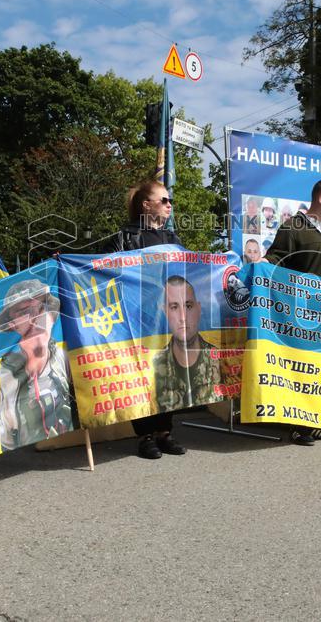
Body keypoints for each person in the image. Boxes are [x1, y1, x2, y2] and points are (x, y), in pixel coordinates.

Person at [108, 179, 186, 459]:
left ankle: (166, 432)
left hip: (168, 316)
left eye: (170, 200)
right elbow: (106, 272)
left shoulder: (172, 238)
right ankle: (145, 436)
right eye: (164, 200)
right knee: (140, 376)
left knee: (168, 375)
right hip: (138, 316)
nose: (169, 205)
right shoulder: (125, 237)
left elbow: (189, 269)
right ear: (146, 205)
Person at [264, 179, 321, 445]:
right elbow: (276, 258)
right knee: (301, 369)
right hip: (298, 311)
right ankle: (299, 426)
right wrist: (261, 265)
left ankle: (318, 420)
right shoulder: (293, 227)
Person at [0, 279, 72, 451]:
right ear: (12, 324)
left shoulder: (64, 358)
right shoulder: (2, 376)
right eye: (24, 312)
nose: (36, 317)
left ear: (51, 316)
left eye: (42, 308)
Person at [153, 276, 223, 414]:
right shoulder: (154, 364)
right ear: (165, 312)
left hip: (213, 428)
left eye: (188, 306)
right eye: (174, 307)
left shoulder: (219, 358)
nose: (183, 316)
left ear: (198, 309)